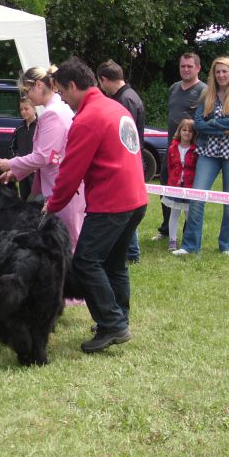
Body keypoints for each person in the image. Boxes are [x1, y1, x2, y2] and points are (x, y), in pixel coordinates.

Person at [44, 57, 148, 354]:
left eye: (62, 93)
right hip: (135, 199)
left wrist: (51, 205)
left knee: (85, 262)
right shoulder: (115, 107)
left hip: (112, 203)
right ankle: (116, 321)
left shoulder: (88, 119)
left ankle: (113, 323)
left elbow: (70, 173)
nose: (62, 100)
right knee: (114, 263)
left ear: (73, 86)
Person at [0, 66, 85, 250]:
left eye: (27, 91)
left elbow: (43, 156)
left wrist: (10, 163)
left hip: (62, 186)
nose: (27, 95)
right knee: (66, 242)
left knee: (67, 244)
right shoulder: (58, 109)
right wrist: (16, 172)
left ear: (38, 85)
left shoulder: (52, 113)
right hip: (63, 185)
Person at [173, 57, 229, 257]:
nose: (221, 75)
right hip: (208, 150)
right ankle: (190, 245)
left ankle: (227, 246)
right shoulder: (207, 94)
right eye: (218, 72)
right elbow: (198, 123)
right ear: (213, 75)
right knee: (197, 196)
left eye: (225, 71)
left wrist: (212, 124)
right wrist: (220, 127)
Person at [97, 59, 146, 263]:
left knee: (126, 211)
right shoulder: (129, 95)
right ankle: (129, 252)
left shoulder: (124, 100)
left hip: (127, 161)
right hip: (133, 160)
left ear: (104, 80)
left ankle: (132, 253)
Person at [154, 53, 206, 241]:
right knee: (166, 187)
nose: (185, 69)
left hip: (192, 152)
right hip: (171, 149)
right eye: (182, 66)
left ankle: (187, 233)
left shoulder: (204, 91)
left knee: (188, 193)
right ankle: (166, 229)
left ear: (198, 68)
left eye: (189, 66)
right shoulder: (174, 88)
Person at [161, 118, 198, 251]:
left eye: (190, 131)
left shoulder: (195, 150)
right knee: (174, 213)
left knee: (189, 214)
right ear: (179, 131)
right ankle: (172, 240)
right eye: (184, 130)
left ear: (194, 134)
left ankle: (189, 240)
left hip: (189, 186)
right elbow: (170, 167)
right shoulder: (172, 148)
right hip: (175, 185)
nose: (187, 133)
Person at [9, 97, 38, 201]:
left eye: (26, 109)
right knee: (24, 197)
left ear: (34, 109)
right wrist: (15, 159)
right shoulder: (19, 129)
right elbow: (12, 147)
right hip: (22, 170)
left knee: (37, 198)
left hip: (37, 171)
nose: (23, 112)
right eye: (21, 109)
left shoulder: (41, 126)